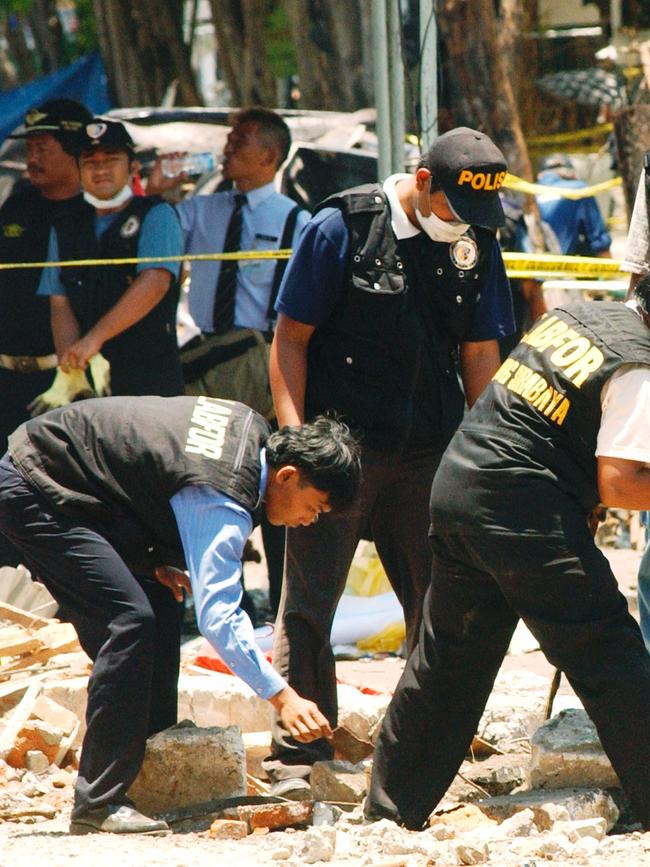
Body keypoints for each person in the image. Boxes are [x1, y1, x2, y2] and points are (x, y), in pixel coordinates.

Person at [264, 126, 516, 799]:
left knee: (443, 600)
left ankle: (433, 743)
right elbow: (290, 339)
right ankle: (301, 752)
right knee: (310, 602)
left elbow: (481, 352)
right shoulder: (341, 227)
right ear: (424, 180)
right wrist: (299, 442)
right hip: (341, 451)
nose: (466, 223)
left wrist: (484, 450)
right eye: (456, 206)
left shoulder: (477, 240)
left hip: (431, 449)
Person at [0, 396, 361, 835]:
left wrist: (155, 559)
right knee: (128, 623)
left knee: (158, 604)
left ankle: (149, 764)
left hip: (77, 479)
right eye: (315, 507)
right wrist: (282, 697)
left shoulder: (251, 432)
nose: (308, 521)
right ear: (288, 476)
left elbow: (149, 476)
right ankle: (99, 802)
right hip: (37, 483)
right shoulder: (224, 497)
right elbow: (218, 621)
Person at [365, 279, 650, 831]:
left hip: (462, 484)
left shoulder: (584, 316)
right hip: (521, 506)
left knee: (447, 663)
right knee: (609, 653)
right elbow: (619, 482)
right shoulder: (637, 367)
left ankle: (389, 810)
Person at [149, 106, 309, 618]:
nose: (227, 148)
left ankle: (285, 604)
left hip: (260, 361)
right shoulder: (206, 210)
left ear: (270, 156)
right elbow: (158, 230)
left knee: (263, 476)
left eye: (240, 141)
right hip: (209, 356)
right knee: (204, 476)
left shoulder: (294, 221)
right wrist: (156, 189)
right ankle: (218, 598)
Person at [0, 99, 92, 564]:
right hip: (6, 380)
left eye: (43, 146)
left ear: (76, 150)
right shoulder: (15, 206)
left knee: (62, 497)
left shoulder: (97, 214)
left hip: (69, 384)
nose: (32, 157)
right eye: (29, 146)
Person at [37, 119, 184, 397]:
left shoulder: (155, 214)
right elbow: (59, 301)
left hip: (150, 378)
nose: (100, 169)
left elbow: (154, 282)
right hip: (92, 382)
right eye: (90, 162)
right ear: (79, 171)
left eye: (111, 160)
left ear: (133, 168)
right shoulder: (66, 224)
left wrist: (93, 340)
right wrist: (71, 366)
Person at [536, 153, 612, 257]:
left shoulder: (529, 193)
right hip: (565, 267)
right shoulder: (578, 189)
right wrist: (610, 270)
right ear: (572, 174)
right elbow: (598, 238)